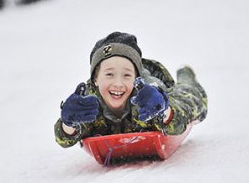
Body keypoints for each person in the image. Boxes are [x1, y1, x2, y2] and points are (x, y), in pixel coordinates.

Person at [54, 31, 207, 148]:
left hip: (164, 92)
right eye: (109, 74)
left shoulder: (148, 97)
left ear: (136, 78)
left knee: (189, 91)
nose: (118, 83)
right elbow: (67, 138)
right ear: (95, 79)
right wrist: (68, 124)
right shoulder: (90, 100)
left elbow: (187, 110)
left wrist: (164, 111)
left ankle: (185, 74)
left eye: (127, 75)